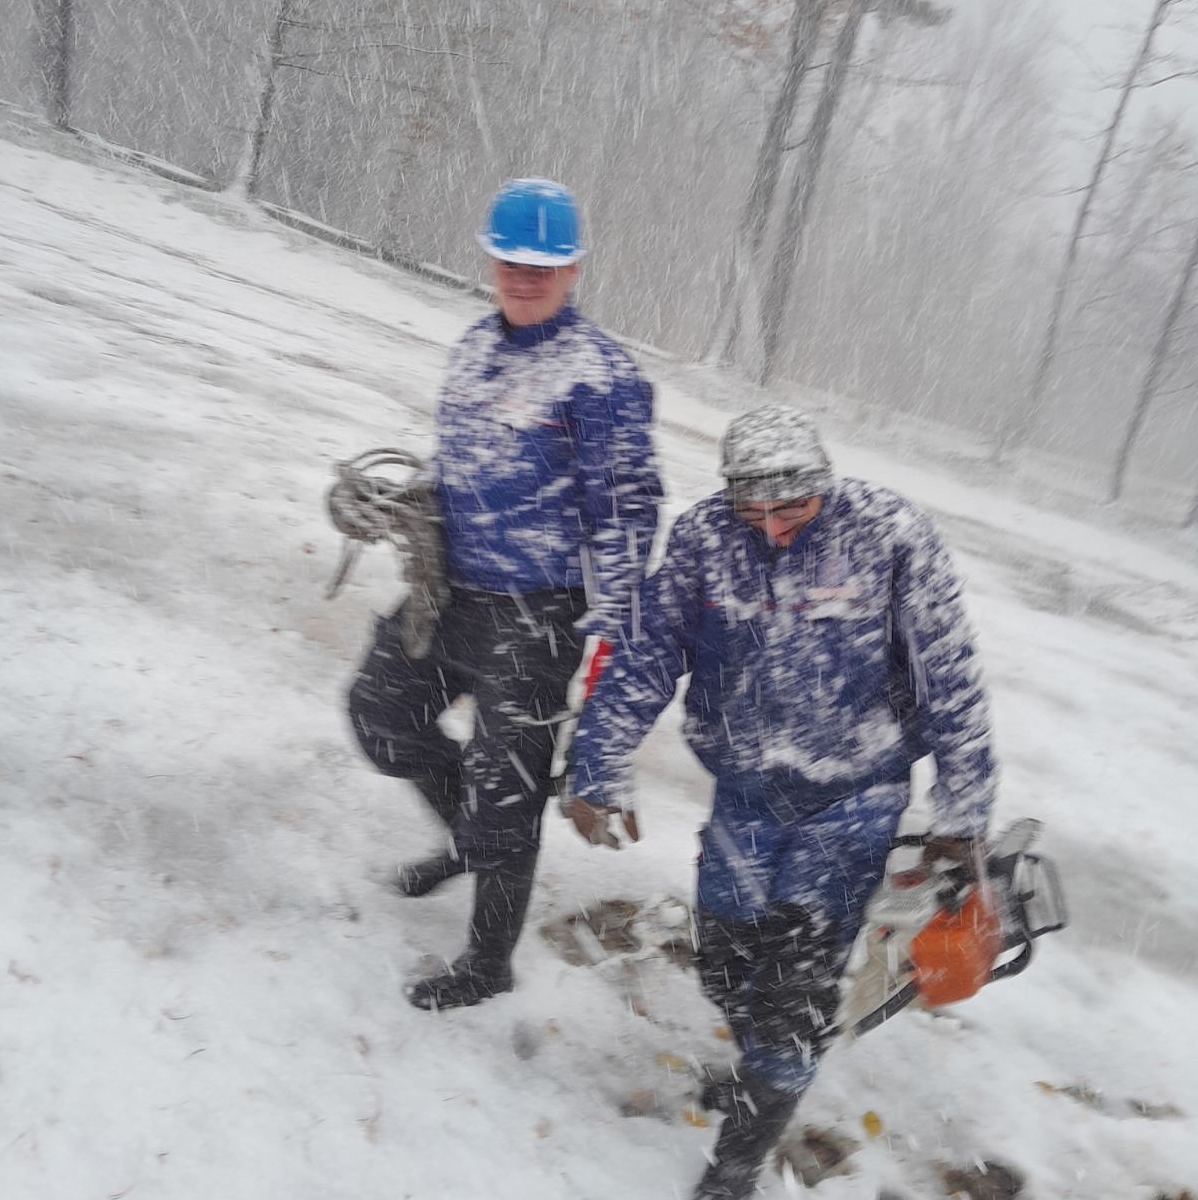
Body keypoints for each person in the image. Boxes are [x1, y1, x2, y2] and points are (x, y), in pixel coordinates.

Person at [565, 405, 996, 1200]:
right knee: (727, 962)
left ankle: (737, 1164)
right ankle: (765, 1067)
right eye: (751, 507)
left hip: (855, 796)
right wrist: (595, 766)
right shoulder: (703, 540)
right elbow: (648, 653)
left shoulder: (890, 536)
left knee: (792, 988)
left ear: (822, 485)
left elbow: (950, 677)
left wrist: (962, 811)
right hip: (748, 792)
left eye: (790, 507)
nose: (771, 527)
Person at [347, 178, 662, 1011]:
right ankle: (465, 843)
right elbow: (460, 463)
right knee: (381, 717)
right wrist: (410, 502)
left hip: (536, 614)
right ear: (491, 261)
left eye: (543, 267)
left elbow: (627, 515)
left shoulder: (600, 376)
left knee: (505, 795)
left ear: (573, 271)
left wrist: (617, 639)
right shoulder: (475, 349)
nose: (524, 278)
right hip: (451, 592)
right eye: (511, 262)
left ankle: (488, 963)